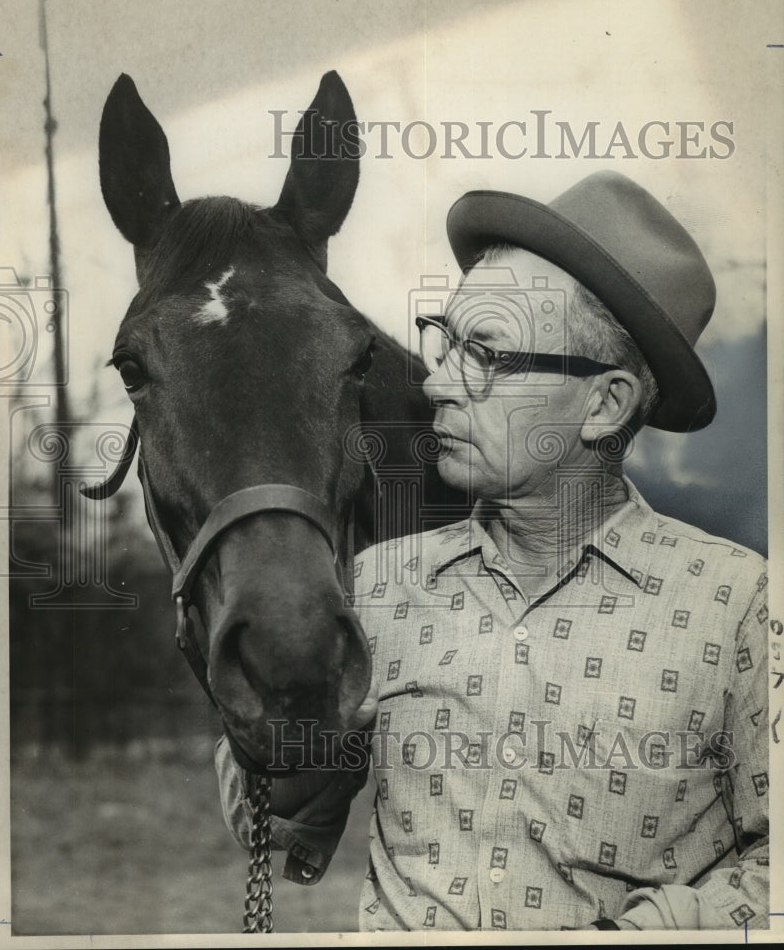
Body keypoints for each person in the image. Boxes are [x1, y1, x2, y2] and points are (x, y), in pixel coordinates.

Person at [215, 171, 769, 931]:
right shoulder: (375, 584)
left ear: (604, 405)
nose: (437, 384)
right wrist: (299, 730)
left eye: (486, 354)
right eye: (443, 343)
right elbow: (263, 825)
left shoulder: (738, 604)